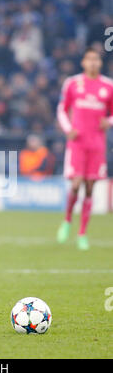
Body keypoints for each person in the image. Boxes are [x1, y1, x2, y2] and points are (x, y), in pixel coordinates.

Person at [57, 48, 113, 250]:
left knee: (90, 187)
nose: (93, 63)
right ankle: (67, 220)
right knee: (76, 184)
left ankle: (82, 233)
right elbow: (62, 109)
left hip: (97, 144)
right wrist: (68, 129)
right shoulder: (72, 83)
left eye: (96, 59)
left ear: (100, 62)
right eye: (89, 59)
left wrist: (109, 121)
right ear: (83, 62)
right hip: (77, 142)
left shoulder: (108, 86)